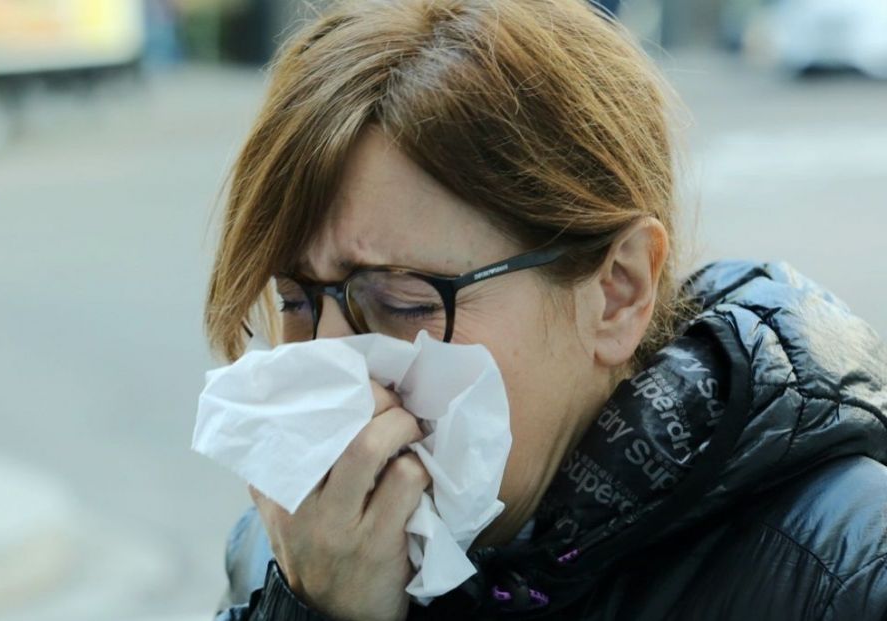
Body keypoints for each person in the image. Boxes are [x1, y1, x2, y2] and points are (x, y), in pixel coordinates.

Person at [204, 0, 887, 619]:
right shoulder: (295, 548)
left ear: (617, 293)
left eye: (402, 301)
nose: (331, 363)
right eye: (294, 299)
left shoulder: (845, 575)